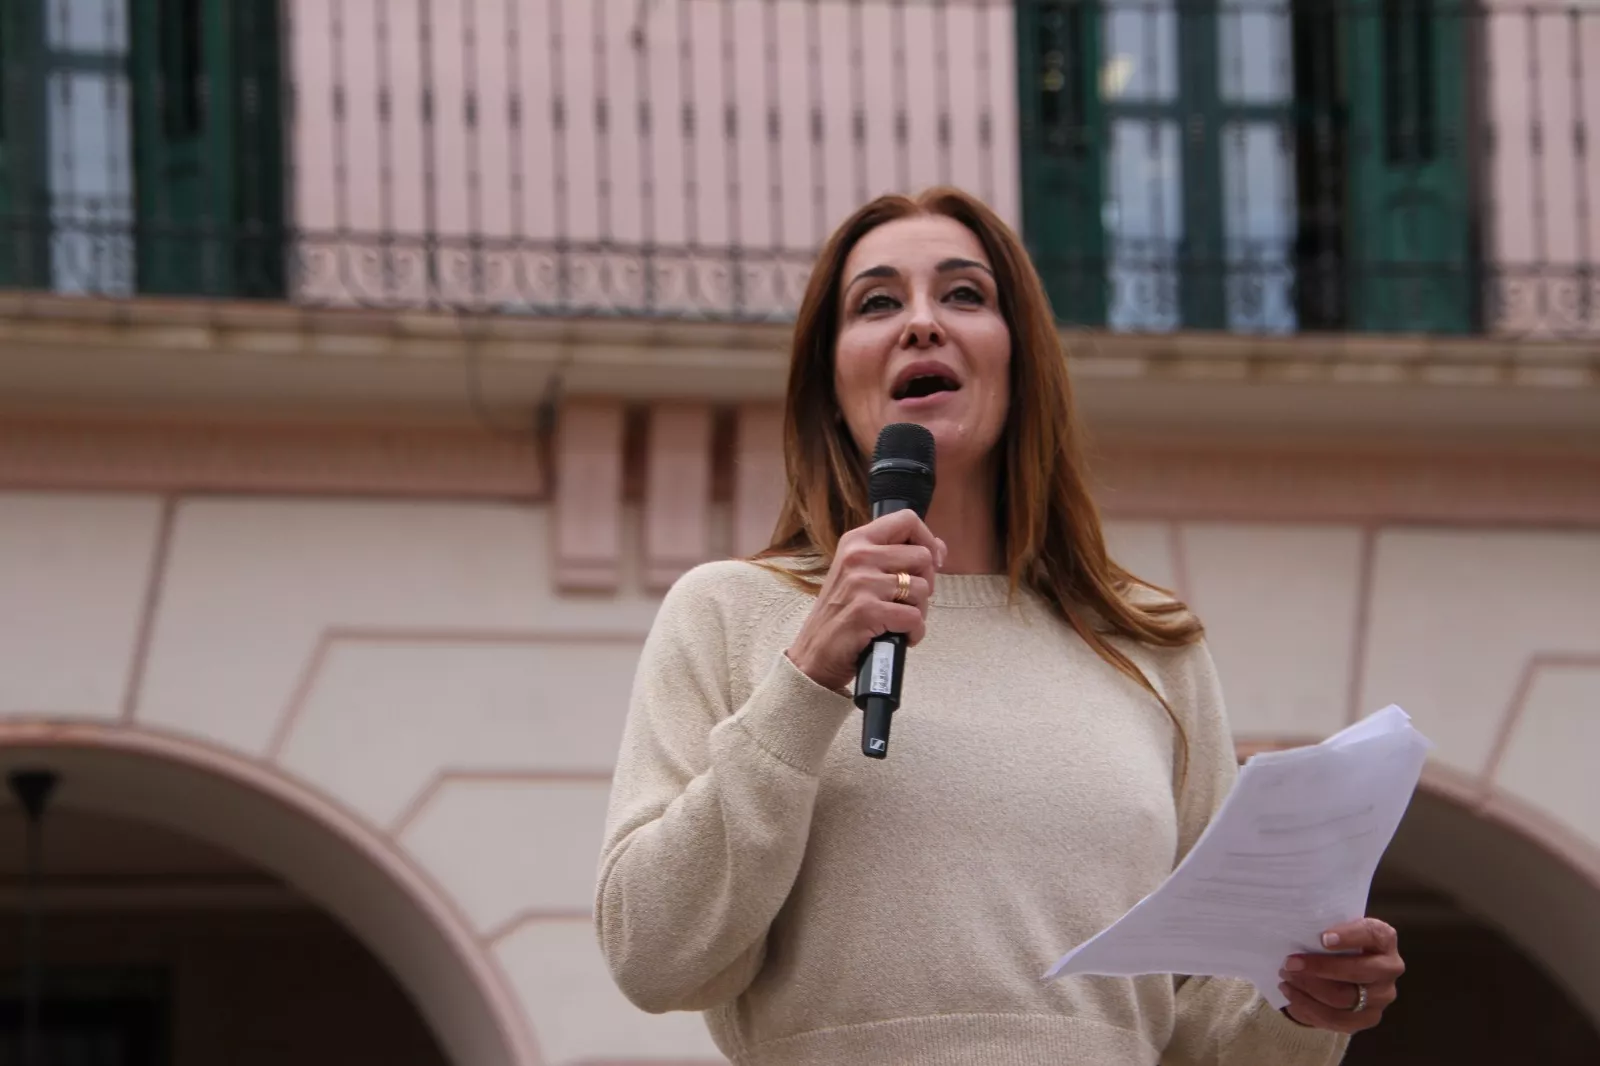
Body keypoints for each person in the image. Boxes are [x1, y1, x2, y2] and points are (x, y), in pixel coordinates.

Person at [593, 187, 1404, 1065]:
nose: (921, 324)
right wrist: (805, 680)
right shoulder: (729, 614)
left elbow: (1197, 1029)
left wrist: (1299, 1006)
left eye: (964, 295)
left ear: (1021, 367)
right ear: (829, 386)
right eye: (877, 302)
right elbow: (654, 956)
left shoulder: (1150, 645)